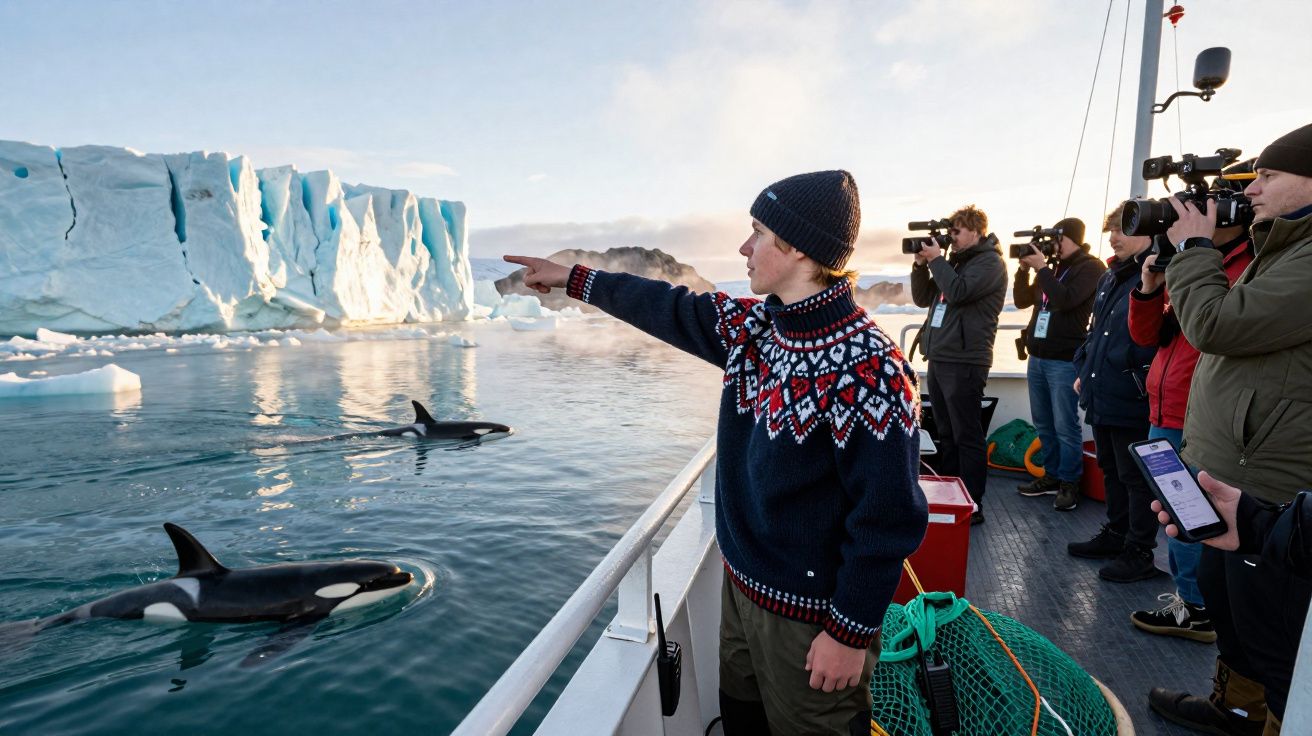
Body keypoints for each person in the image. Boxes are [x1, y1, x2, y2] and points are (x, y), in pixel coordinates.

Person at [505, 170, 929, 736]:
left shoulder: (870, 368)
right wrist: (574, 279)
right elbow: (666, 305)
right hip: (743, 591)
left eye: (757, 232)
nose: (743, 247)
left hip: (811, 624)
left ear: (797, 246)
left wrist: (849, 634)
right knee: (743, 722)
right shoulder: (757, 331)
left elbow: (888, 519)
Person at [1144, 123, 1312, 735]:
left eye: (1270, 174)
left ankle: (1269, 720)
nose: (1254, 186)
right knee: (1232, 612)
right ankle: (1235, 709)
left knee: (1274, 638)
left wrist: (1193, 250)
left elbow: (1216, 325)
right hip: (1230, 466)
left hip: (1270, 482)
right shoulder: (1281, 247)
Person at [1124, 168, 1256, 645]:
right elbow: (1146, 337)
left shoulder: (1247, 267)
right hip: (1166, 409)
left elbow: (1217, 331)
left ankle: (1201, 610)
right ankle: (1194, 602)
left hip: (1202, 416)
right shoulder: (1195, 264)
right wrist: (1149, 284)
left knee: (1197, 521)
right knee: (1178, 521)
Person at [1150, 474, 1312, 736]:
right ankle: (1240, 711)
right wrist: (1259, 523)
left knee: (1284, 663)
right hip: (1272, 513)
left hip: (1281, 491)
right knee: (1226, 600)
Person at [1066, 205, 1160, 582]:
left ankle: (1140, 551)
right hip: (1102, 388)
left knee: (1136, 476)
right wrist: (1083, 367)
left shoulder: (1157, 273)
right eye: (1111, 232)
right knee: (1110, 467)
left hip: (1132, 392)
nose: (1114, 238)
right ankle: (1117, 533)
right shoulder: (1112, 276)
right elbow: (1096, 331)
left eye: (1123, 229)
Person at [909, 205, 1006, 525]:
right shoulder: (954, 263)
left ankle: (973, 501)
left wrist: (937, 260)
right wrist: (921, 265)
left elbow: (959, 291)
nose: (951, 238)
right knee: (947, 433)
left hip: (965, 359)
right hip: (941, 356)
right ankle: (950, 494)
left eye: (956, 232)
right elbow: (925, 299)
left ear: (976, 231)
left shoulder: (990, 263)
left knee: (967, 434)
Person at [1012, 217, 1106, 511]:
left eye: (1055, 240)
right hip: (1038, 357)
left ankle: (1069, 483)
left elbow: (1065, 300)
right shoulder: (1051, 270)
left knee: (1065, 425)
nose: (1050, 247)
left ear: (1070, 239)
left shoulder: (1091, 267)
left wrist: (1042, 269)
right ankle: (1051, 476)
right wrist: (1024, 269)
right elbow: (1021, 300)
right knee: (1043, 422)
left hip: (1064, 361)